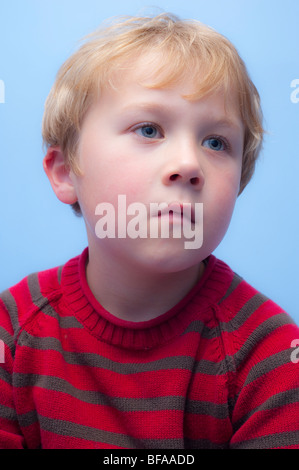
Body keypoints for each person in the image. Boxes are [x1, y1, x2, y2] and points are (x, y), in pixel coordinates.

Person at [0, 13, 298, 450]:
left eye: (216, 142)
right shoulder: (13, 330)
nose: (190, 165)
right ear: (65, 172)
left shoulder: (272, 354)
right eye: (149, 129)